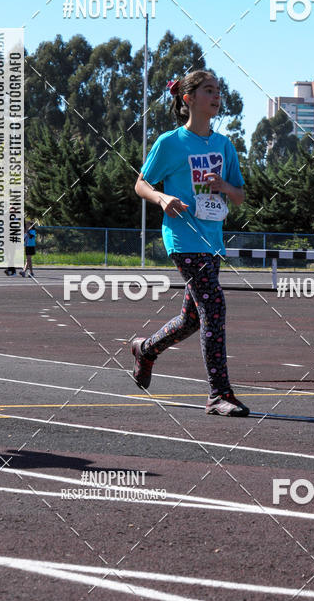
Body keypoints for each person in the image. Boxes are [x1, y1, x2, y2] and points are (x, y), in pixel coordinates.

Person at [132, 70, 249, 417]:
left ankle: (147, 349)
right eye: (208, 90)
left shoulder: (223, 145)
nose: (216, 96)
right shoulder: (170, 143)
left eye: (218, 90)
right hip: (182, 238)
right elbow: (141, 184)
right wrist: (161, 198)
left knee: (192, 319)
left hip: (212, 240)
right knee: (214, 308)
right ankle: (219, 394)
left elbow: (240, 196)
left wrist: (224, 187)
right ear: (188, 99)